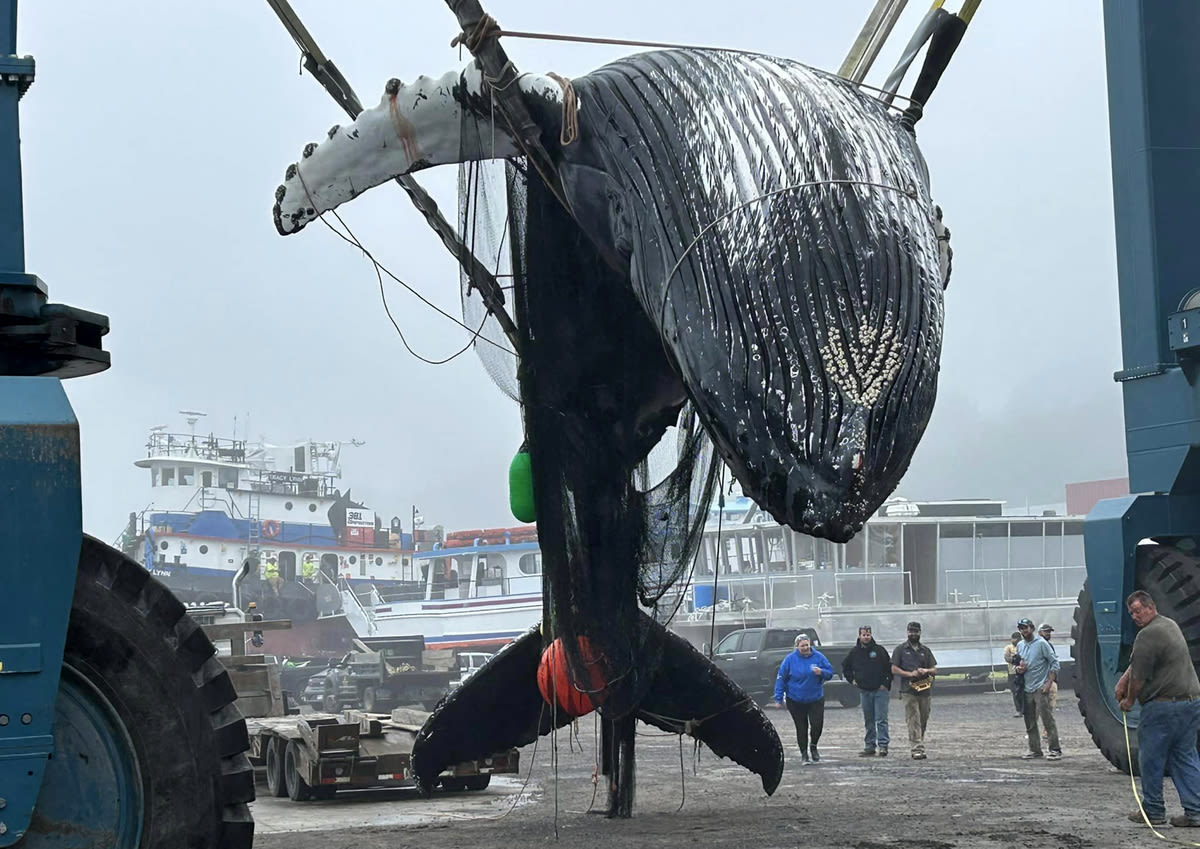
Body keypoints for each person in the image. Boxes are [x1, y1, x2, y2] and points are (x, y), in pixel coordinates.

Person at [1117, 590, 1200, 828]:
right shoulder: (1169, 625)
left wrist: (1129, 700)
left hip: (1163, 707)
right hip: (1191, 703)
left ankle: (1153, 809)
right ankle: (1195, 811)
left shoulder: (1148, 635)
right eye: (1131, 612)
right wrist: (1123, 680)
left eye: (1138, 610)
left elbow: (1140, 677)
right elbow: (1139, 664)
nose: (1134, 616)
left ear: (1150, 607)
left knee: (1151, 758)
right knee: (1185, 756)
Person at [774, 634, 835, 765]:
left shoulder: (819, 657)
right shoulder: (790, 660)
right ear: (797, 646)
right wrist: (778, 698)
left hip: (815, 698)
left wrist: (822, 672)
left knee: (817, 724)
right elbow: (781, 679)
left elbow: (830, 672)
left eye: (807, 645)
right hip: (795, 699)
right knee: (801, 727)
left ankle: (813, 746)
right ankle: (804, 754)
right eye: (802, 646)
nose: (806, 648)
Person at [842, 625, 893, 756]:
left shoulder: (880, 650)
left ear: (871, 635)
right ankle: (870, 746)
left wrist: (886, 684)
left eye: (868, 635)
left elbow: (889, 668)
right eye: (863, 635)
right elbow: (845, 667)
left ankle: (883, 746)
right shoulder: (854, 652)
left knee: (881, 719)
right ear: (859, 636)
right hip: (865, 691)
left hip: (880, 691)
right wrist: (852, 680)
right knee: (869, 720)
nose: (866, 637)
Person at [1014, 617, 1060, 760]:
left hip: (1040, 688)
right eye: (1021, 628)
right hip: (1027, 689)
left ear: (1032, 629)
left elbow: (1054, 664)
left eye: (1026, 627)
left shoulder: (1041, 644)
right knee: (1030, 721)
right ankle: (1035, 749)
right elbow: (1017, 664)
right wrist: (1018, 669)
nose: (1024, 630)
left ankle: (1055, 750)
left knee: (1047, 720)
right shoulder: (1020, 645)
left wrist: (1048, 683)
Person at [891, 621, 937, 760]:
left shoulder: (925, 650)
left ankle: (919, 741)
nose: (913, 634)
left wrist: (926, 670)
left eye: (915, 632)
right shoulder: (900, 650)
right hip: (908, 690)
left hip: (924, 690)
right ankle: (916, 747)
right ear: (907, 632)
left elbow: (935, 669)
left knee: (923, 719)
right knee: (913, 719)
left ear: (920, 632)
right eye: (911, 632)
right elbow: (893, 668)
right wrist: (909, 674)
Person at [1038, 623, 1060, 710]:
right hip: (1040, 680)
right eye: (1046, 631)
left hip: (1049, 679)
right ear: (1039, 632)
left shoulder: (1049, 645)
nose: (1048, 633)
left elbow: (1053, 663)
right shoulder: (1037, 645)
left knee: (1050, 705)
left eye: (1049, 632)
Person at [1004, 631, 1025, 717]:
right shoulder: (1009, 648)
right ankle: (1019, 710)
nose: (1013, 640)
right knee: (1015, 692)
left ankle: (1024, 710)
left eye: (1015, 639)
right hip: (1012, 672)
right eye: (1012, 639)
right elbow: (1007, 657)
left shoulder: (1024, 646)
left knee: (1024, 691)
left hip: (1022, 672)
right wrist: (1015, 660)